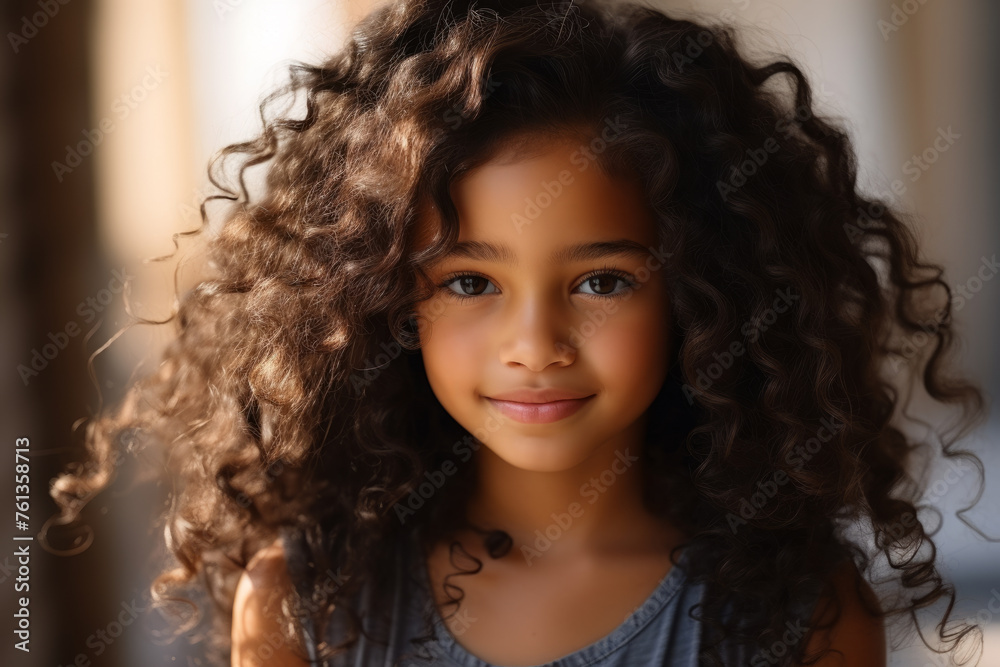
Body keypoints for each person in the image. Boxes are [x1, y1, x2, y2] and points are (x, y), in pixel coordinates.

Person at [47, 1, 991, 665]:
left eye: (602, 280)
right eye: (468, 280)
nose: (535, 342)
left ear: (707, 294)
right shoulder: (307, 607)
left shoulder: (798, 617)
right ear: (381, 301)